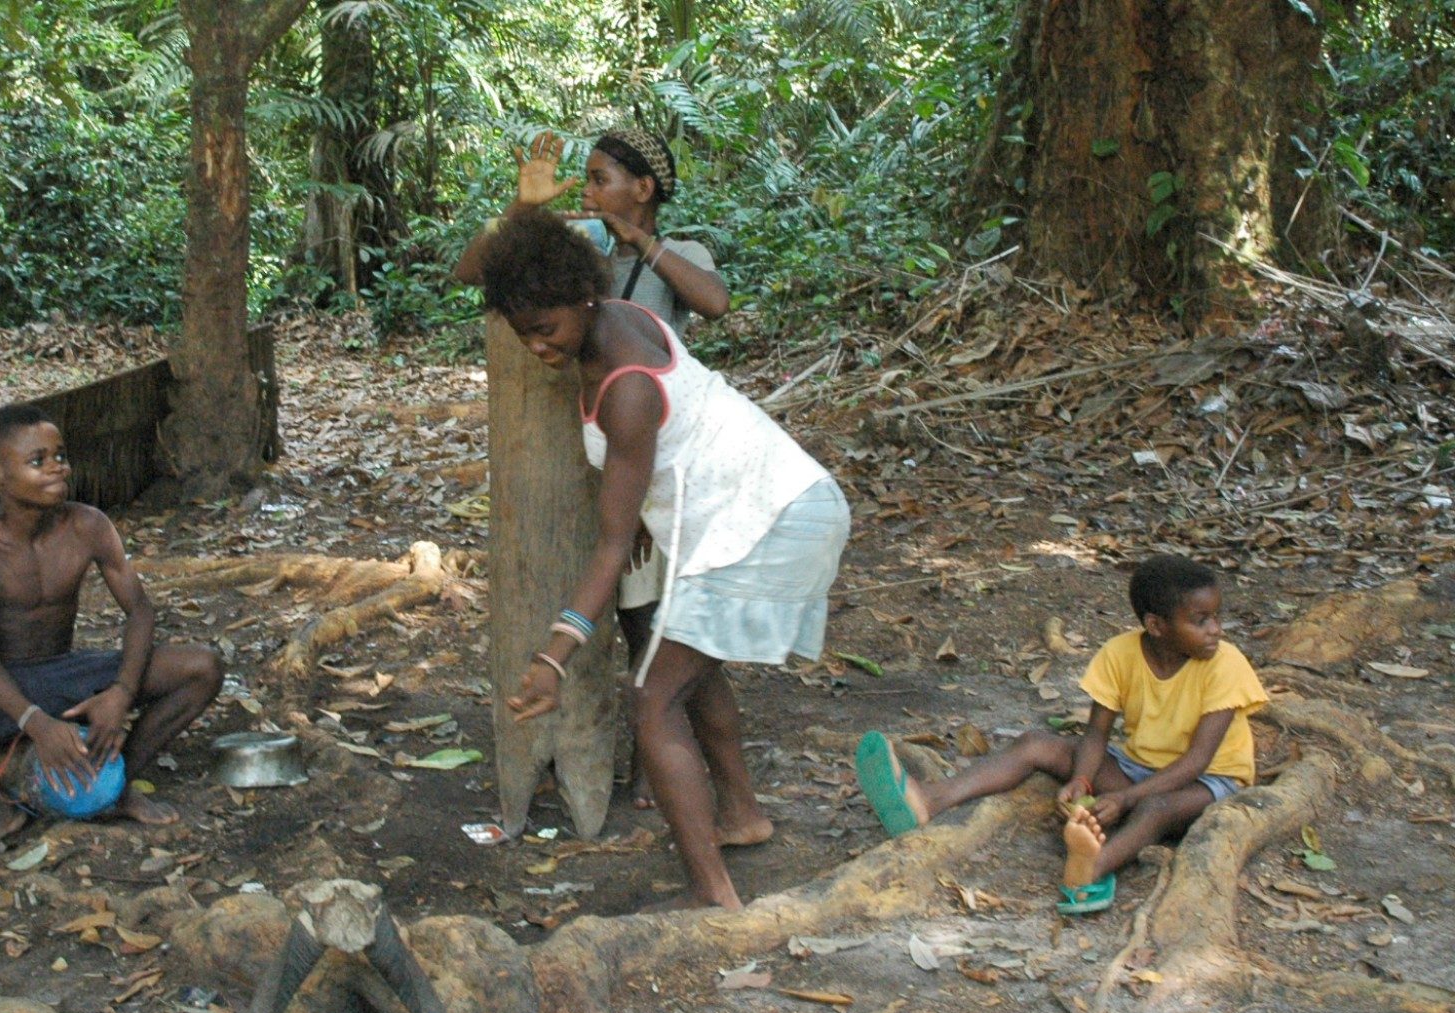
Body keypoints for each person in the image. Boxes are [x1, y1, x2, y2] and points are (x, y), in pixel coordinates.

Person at [487, 209, 850, 911]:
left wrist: (554, 656)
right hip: (776, 504)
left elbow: (611, 544)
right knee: (689, 671)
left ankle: (712, 895)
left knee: (651, 700)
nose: (536, 346)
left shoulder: (623, 389)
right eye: (521, 332)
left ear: (582, 296)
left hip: (768, 521)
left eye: (545, 328)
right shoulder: (617, 316)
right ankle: (742, 815)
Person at [456, 129, 733, 798]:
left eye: (602, 178)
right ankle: (633, 749)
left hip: (652, 454)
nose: (587, 190)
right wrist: (523, 210)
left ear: (644, 189)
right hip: (584, 450)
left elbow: (715, 302)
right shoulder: (580, 247)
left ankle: (656, 762)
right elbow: (472, 274)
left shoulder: (679, 252)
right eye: (584, 178)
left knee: (652, 620)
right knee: (612, 600)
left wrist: (640, 240)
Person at [0, 404, 224, 856]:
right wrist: (34, 723)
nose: (57, 467)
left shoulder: (89, 526)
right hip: (0, 689)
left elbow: (139, 611)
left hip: (68, 676)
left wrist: (121, 692)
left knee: (203, 666)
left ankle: (115, 784)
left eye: (60, 455)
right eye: (37, 460)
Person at [852, 555, 1267, 915]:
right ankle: (930, 800)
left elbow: (1197, 762)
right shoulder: (1120, 654)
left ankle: (1093, 865)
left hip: (1207, 783)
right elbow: (1095, 735)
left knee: (1154, 810)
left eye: (1216, 617)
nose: (1216, 629)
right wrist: (1082, 782)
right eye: (1201, 620)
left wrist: (1125, 799)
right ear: (1156, 625)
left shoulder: (1226, 666)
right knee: (1035, 744)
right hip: (1136, 767)